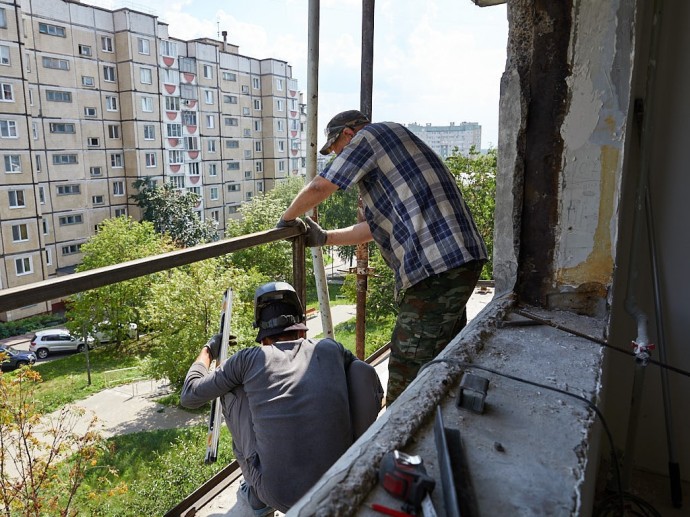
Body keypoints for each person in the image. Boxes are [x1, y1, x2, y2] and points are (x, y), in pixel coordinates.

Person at [278, 109, 488, 405]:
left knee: (407, 362)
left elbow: (321, 186)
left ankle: (399, 440)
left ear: (348, 134)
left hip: (437, 265)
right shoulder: (393, 156)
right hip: (455, 259)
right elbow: (373, 229)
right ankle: (445, 412)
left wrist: (287, 219)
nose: (338, 156)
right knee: (443, 349)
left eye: (337, 149)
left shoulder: (370, 136)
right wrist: (326, 238)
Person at [180, 281, 382, 516]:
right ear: (301, 326)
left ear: (263, 336)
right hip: (341, 478)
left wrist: (209, 350)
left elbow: (189, 396)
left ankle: (258, 500)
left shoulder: (248, 359)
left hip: (281, 496)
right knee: (361, 372)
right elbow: (368, 382)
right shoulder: (330, 348)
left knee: (231, 388)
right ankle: (354, 451)